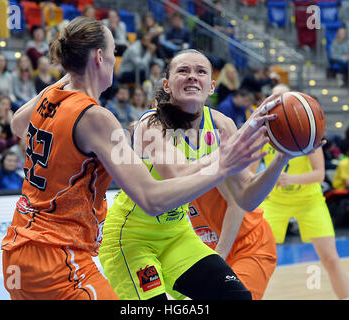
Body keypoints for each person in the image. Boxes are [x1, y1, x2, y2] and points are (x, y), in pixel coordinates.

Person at [1, 17, 270, 300]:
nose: (117, 61)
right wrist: (224, 163)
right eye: (114, 51)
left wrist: (70, 73)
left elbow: (19, 125)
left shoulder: (51, 99)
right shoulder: (99, 119)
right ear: (100, 57)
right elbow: (152, 198)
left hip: (21, 245)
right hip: (58, 253)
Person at [99, 49, 304, 301]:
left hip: (178, 234)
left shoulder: (222, 125)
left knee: (236, 297)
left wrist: (282, 156)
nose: (192, 76)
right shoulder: (150, 124)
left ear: (212, 86)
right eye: (183, 71)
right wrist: (226, 155)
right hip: (131, 238)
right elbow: (178, 174)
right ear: (167, 85)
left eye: (201, 71)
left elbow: (247, 198)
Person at [259, 88, 349, 300]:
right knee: (259, 260)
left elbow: (319, 174)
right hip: (275, 202)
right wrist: (260, 186)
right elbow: (248, 173)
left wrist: (288, 179)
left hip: (310, 201)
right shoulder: (262, 133)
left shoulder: (307, 130)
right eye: (274, 98)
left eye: (282, 97)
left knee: (330, 258)